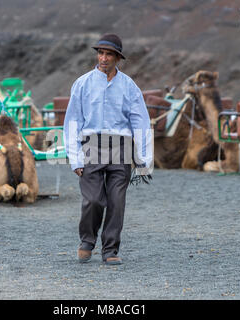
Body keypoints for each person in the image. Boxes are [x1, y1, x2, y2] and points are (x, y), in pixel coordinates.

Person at [63, 33, 153, 265]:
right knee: (93, 200)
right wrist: (75, 158)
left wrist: (143, 159)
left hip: (121, 148)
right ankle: (87, 241)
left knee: (116, 201)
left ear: (117, 58)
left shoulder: (129, 86)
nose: (103, 58)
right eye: (100, 53)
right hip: (91, 146)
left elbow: (140, 122)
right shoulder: (82, 83)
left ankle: (110, 250)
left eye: (109, 54)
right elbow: (73, 121)